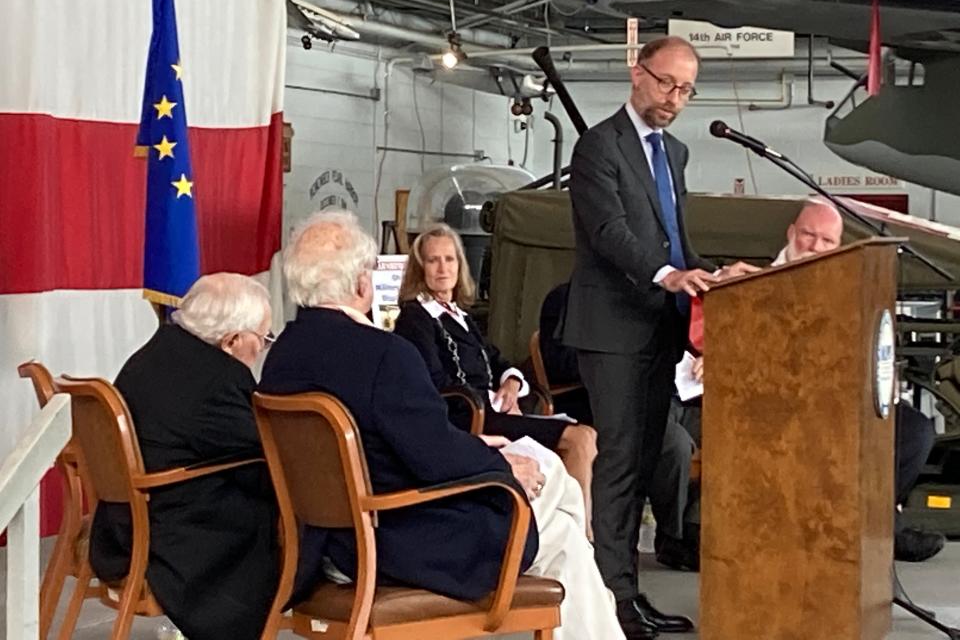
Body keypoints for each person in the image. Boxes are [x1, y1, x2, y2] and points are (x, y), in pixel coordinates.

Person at [259, 210, 625, 640]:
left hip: (326, 543)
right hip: (397, 539)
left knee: (559, 520)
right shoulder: (383, 353)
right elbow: (435, 459)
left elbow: (403, 440)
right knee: (558, 505)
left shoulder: (280, 357)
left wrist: (483, 450)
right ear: (362, 282)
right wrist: (503, 464)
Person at [562, 35, 755, 638]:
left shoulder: (674, 152)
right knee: (619, 463)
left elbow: (675, 237)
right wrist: (669, 273)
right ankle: (610, 605)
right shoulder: (598, 145)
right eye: (668, 83)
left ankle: (628, 594)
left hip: (659, 327)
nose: (676, 98)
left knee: (644, 462)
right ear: (636, 73)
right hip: (612, 329)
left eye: (687, 89)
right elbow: (609, 232)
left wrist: (714, 271)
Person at [688, 199, 945, 563]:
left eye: (827, 241)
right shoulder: (746, 282)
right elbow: (716, 341)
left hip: (837, 402)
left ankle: (874, 524)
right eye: (808, 235)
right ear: (791, 234)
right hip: (771, 407)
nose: (815, 247)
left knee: (914, 432)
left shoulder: (848, 290)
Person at [89, 273, 279, 640]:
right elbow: (265, 451)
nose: (261, 350)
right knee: (288, 508)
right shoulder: (216, 380)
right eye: (263, 339)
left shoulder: (158, 350)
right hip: (175, 528)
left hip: (128, 515)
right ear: (232, 340)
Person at [393, 224, 598, 531]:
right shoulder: (416, 318)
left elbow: (499, 361)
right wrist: (493, 399)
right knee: (579, 438)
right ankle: (583, 536)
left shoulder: (461, 317)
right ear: (420, 268)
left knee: (586, 436)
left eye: (449, 259)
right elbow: (433, 381)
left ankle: (569, 528)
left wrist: (512, 384)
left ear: (460, 265)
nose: (442, 268)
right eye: (433, 260)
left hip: (493, 409)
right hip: (468, 415)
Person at [540, 282, 700, 571]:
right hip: (616, 404)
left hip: (683, 395)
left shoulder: (655, 297)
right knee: (674, 445)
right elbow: (557, 362)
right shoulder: (565, 298)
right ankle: (673, 538)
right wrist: (617, 361)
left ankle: (696, 528)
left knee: (731, 436)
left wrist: (705, 357)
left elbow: (688, 341)